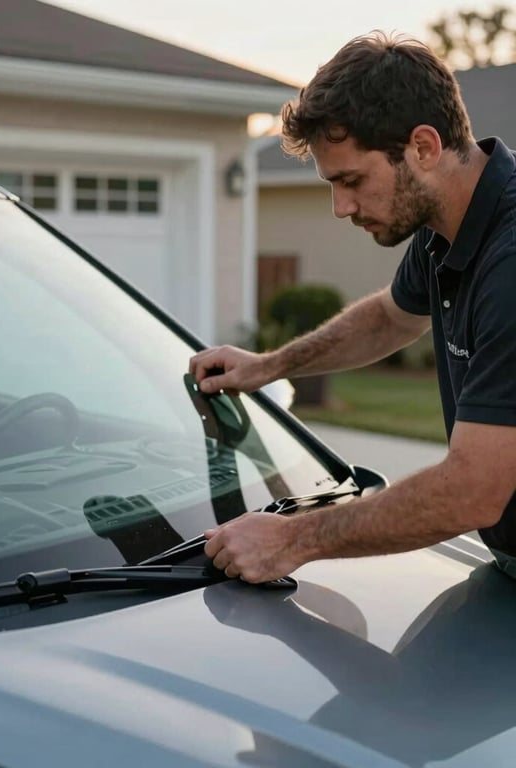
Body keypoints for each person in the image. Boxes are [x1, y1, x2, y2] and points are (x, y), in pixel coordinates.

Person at [190, 30, 516, 584]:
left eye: (352, 180)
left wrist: (292, 539)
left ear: (423, 148)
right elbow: (391, 318)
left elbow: (472, 492)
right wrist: (269, 366)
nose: (341, 207)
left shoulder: (510, 260)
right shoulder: (447, 228)